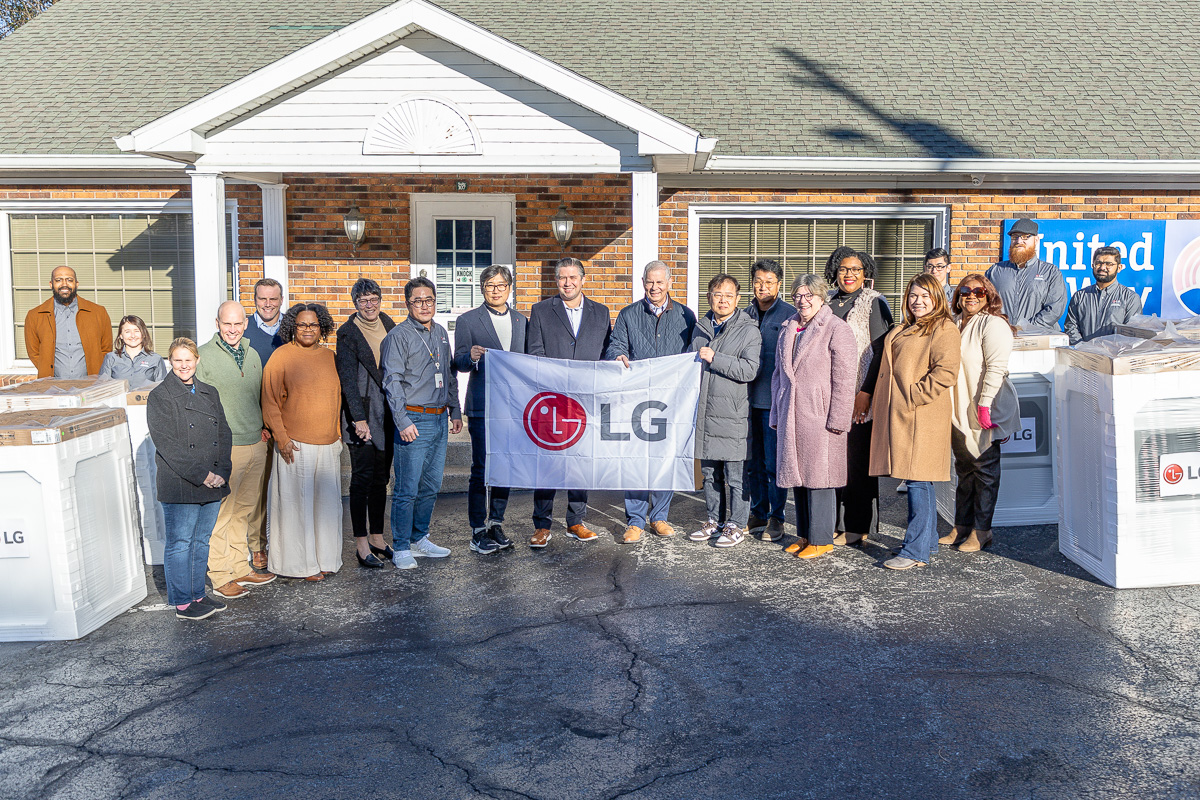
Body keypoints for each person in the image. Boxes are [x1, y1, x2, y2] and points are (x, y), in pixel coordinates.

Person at [870, 273, 962, 570]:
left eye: (924, 295)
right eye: (913, 295)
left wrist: (914, 396)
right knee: (917, 479)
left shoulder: (943, 327)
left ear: (937, 298)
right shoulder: (907, 328)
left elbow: (946, 371)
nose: (917, 301)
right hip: (904, 414)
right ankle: (927, 541)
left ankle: (914, 552)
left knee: (918, 481)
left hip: (921, 415)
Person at [608, 260, 696, 544]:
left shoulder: (685, 315)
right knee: (634, 459)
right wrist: (617, 356)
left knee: (664, 458)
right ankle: (634, 520)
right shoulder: (628, 314)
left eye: (660, 282)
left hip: (671, 400)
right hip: (637, 400)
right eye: (649, 282)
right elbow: (616, 345)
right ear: (642, 282)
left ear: (669, 283)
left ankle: (659, 516)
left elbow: (692, 353)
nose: (654, 287)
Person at [526, 257, 611, 548]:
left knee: (580, 463)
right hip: (551, 399)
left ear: (583, 279)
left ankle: (576, 520)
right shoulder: (540, 311)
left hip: (586, 401)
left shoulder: (601, 313)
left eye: (573, 277)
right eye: (562, 278)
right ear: (556, 281)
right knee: (548, 463)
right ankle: (542, 525)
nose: (567, 283)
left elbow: (606, 354)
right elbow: (535, 352)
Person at [771, 274, 857, 560]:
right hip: (791, 412)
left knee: (820, 478)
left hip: (820, 415)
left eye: (809, 295)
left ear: (821, 298)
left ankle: (822, 539)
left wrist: (838, 420)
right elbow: (777, 375)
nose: (803, 300)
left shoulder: (836, 328)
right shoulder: (788, 327)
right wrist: (776, 411)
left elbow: (845, 379)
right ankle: (805, 534)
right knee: (798, 476)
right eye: (798, 295)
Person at [195, 300, 277, 598]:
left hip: (256, 443)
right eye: (226, 323)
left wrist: (265, 425)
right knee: (222, 514)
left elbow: (260, 396)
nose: (232, 329)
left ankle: (239, 566)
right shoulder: (202, 357)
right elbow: (197, 407)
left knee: (244, 510)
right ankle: (219, 574)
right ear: (217, 323)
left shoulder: (253, 354)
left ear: (246, 324)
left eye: (237, 323)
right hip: (226, 448)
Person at [147, 338, 233, 621]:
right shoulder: (160, 396)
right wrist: (203, 475)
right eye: (177, 360)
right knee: (181, 542)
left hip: (213, 480)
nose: (184, 365)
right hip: (181, 482)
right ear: (169, 362)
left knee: (201, 541)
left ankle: (198, 594)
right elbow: (167, 445)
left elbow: (224, 433)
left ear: (197, 361)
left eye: (188, 359)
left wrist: (222, 471)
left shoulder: (210, 392)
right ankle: (183, 603)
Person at [380, 277, 462, 570]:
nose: (425, 306)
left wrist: (455, 410)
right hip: (413, 419)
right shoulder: (397, 336)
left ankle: (419, 538)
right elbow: (392, 382)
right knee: (407, 487)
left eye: (429, 300)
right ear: (407, 304)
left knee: (431, 485)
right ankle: (401, 546)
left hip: (440, 418)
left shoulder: (440, 332)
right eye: (418, 301)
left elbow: (449, 374)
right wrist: (402, 421)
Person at [261, 303, 344, 581]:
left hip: (328, 444)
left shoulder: (331, 357)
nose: (308, 329)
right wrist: (281, 438)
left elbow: (337, 400)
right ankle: (299, 565)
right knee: (297, 507)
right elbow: (270, 401)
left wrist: (338, 436)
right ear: (292, 328)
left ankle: (324, 560)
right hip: (295, 445)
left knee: (326, 508)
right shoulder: (282, 356)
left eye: (313, 325)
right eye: (302, 325)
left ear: (322, 327)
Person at [452, 265, 527, 556]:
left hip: (512, 406)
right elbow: (457, 362)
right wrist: (469, 358)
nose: (495, 290)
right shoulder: (468, 320)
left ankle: (496, 522)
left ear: (509, 288)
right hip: (483, 405)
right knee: (482, 467)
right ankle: (477, 529)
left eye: (500, 285)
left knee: (505, 466)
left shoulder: (522, 321)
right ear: (482, 289)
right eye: (489, 285)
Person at [943, 274, 1020, 553]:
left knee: (985, 470)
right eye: (965, 291)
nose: (971, 296)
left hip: (983, 407)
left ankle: (981, 530)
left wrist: (985, 404)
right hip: (957, 408)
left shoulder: (993, 324)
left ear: (989, 296)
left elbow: (995, 368)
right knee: (964, 469)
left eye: (979, 291)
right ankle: (961, 526)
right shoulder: (954, 323)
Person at [686, 274, 760, 548]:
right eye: (718, 294)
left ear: (738, 299)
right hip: (705, 413)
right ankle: (713, 520)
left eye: (729, 295)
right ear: (709, 297)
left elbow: (750, 370)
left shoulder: (748, 330)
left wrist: (716, 358)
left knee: (736, 476)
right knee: (709, 474)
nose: (723, 300)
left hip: (733, 414)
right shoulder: (700, 328)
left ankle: (737, 523)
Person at [826, 247, 893, 546]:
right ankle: (833, 523)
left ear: (866, 273)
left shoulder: (873, 303)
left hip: (857, 396)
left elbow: (881, 353)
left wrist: (865, 392)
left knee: (856, 464)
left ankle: (857, 525)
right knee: (832, 462)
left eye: (855, 269)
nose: (849, 274)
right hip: (828, 395)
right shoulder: (826, 301)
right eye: (843, 269)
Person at [336, 278, 397, 568]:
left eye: (373, 299)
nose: (369, 305)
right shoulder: (347, 333)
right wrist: (357, 418)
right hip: (362, 414)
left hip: (387, 413)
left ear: (380, 300)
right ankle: (361, 544)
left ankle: (377, 537)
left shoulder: (389, 324)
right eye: (363, 301)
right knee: (361, 480)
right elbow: (347, 379)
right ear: (355, 304)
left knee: (381, 480)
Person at [743, 258, 793, 542]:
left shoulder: (789, 314)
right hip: (745, 400)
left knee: (774, 463)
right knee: (753, 462)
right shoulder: (744, 314)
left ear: (779, 284)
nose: (763, 287)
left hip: (775, 401)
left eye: (769, 282)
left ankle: (777, 516)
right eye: (759, 281)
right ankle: (758, 511)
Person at [23, 265, 113, 378]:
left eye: (69, 280)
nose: (64, 284)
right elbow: (34, 353)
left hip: (90, 384)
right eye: (58, 280)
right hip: (53, 387)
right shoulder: (35, 316)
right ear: (51, 284)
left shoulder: (98, 312)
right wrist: (47, 369)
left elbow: (106, 349)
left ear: (76, 284)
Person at [985, 218, 1068, 329]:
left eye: (1025, 237)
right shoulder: (995, 271)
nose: (1019, 241)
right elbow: (984, 305)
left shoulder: (1051, 272)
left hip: (1037, 340)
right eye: (1015, 237)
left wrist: (1026, 327)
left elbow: (1054, 309)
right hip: (1002, 337)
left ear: (1036, 240)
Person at [1064, 246, 1144, 344]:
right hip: (1083, 355)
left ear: (1119, 268)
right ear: (1093, 265)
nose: (1102, 268)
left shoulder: (1130, 298)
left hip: (1114, 356)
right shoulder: (1080, 296)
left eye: (1109, 264)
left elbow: (1131, 334)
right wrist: (1083, 348)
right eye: (1098, 263)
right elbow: (1071, 327)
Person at [99, 315, 168, 388]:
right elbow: (102, 388)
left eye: (136, 331)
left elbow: (162, 389)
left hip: (146, 399)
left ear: (143, 334)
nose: (133, 335)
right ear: (121, 335)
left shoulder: (155, 359)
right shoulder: (111, 358)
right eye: (127, 331)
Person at [245, 278, 285, 366]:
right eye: (262, 299)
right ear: (255, 299)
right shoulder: (242, 329)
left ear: (281, 300)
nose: (267, 304)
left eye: (273, 299)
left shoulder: (294, 328)